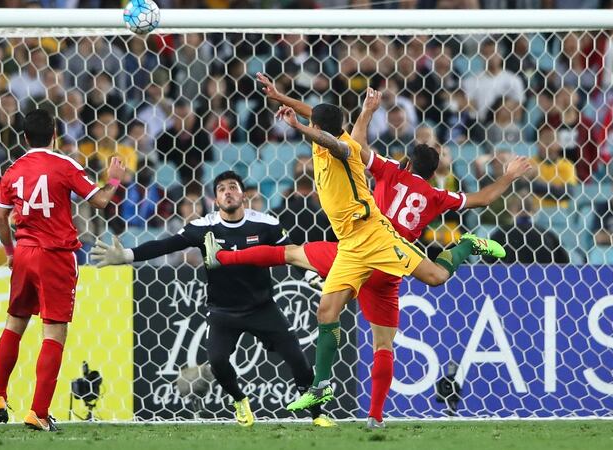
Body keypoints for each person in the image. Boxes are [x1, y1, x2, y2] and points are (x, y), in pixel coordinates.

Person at [250, 76, 510, 421]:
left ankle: (229, 259)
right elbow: (483, 198)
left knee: (296, 255)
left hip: (376, 241)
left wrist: (358, 114)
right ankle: (344, 399)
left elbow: (346, 142)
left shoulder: (385, 168)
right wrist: (510, 175)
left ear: (405, 162)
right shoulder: (433, 192)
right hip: (370, 253)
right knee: (352, 325)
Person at [91, 171, 335, 428]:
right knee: (217, 362)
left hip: (262, 307)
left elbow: (293, 252)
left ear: (243, 195)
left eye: (233, 187)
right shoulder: (203, 226)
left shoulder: (266, 224)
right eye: (221, 189)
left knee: (298, 360)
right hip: (223, 311)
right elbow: (167, 245)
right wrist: (127, 255)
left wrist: (308, 275)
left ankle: (317, 414)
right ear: (215, 200)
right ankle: (240, 400)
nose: (228, 192)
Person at [0, 109, 125, 432]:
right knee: (54, 332)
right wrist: (116, 177)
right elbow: (101, 202)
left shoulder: (13, 170)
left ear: (24, 139)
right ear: (54, 135)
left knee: (14, 323)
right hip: (56, 257)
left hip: (24, 253)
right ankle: (38, 411)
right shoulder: (64, 165)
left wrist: (10, 252)